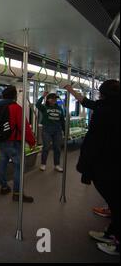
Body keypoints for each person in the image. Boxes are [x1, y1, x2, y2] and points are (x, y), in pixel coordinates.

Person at [65, 80, 120, 256]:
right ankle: (111, 233)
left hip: (107, 160)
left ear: (104, 94)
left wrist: (87, 164)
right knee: (114, 200)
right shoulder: (109, 105)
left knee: (115, 200)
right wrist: (71, 90)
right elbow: (87, 102)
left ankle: (117, 243)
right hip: (110, 159)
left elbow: (97, 138)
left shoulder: (106, 110)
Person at [0, 85, 36, 203]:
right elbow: (24, 127)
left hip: (1, 141)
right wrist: (32, 141)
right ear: (15, 95)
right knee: (19, 167)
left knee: (2, 163)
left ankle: (4, 186)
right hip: (14, 143)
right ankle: (17, 194)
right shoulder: (16, 108)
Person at [36, 91, 65, 172]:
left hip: (57, 130)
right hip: (47, 129)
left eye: (56, 99)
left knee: (57, 148)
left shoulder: (59, 108)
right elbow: (37, 105)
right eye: (53, 98)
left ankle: (57, 165)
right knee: (46, 147)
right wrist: (43, 96)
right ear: (49, 99)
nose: (55, 100)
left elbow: (62, 120)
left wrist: (64, 131)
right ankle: (43, 164)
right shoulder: (45, 107)